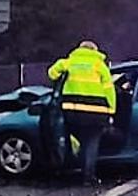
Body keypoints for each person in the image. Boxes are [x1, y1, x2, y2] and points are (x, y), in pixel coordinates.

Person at [47, 41, 115, 185]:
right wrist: (111, 111)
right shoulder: (99, 66)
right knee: (92, 143)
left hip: (73, 111)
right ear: (94, 50)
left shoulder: (69, 62)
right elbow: (109, 90)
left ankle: (68, 166)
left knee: (78, 140)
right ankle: (88, 177)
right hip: (96, 113)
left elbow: (52, 73)